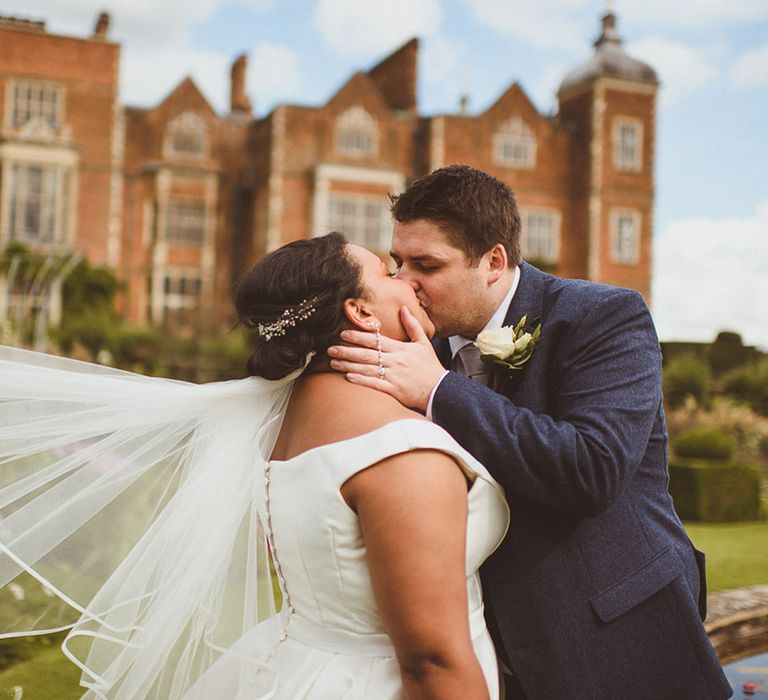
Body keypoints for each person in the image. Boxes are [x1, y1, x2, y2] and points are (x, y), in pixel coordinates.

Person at [0, 232, 508, 699]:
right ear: (360, 312)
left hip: (300, 668)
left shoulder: (287, 416)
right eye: (387, 273)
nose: (408, 282)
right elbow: (431, 660)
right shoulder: (403, 451)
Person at [327, 165, 733, 700]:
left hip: (617, 640)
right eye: (399, 262)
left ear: (494, 261)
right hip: (487, 653)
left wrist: (439, 390)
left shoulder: (604, 316)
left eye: (427, 264)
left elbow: (591, 470)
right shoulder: (419, 344)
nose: (405, 282)